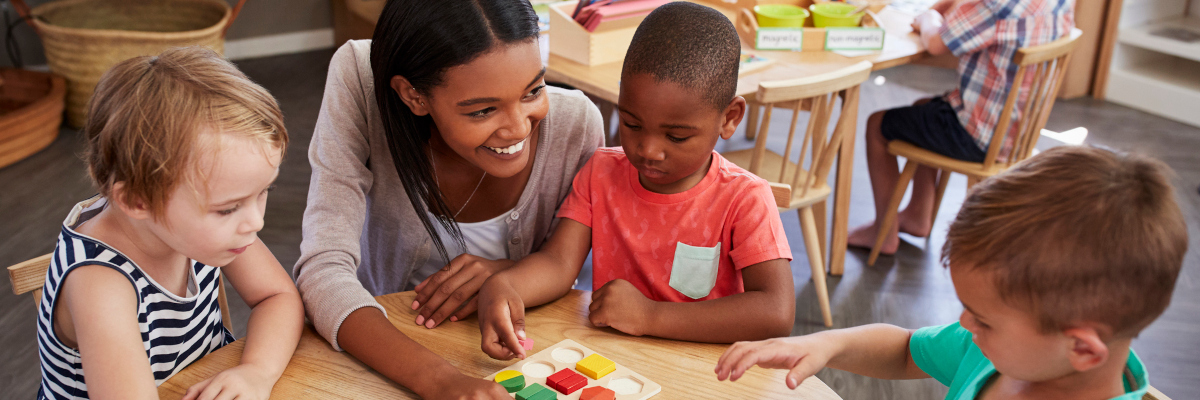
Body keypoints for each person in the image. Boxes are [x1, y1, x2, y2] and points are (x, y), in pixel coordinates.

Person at [292, 0, 604, 397]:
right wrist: (442, 382)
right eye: (483, 111)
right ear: (413, 96)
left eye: (533, 90)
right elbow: (322, 270)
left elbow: (566, 267)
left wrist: (509, 274)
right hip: (377, 351)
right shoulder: (361, 76)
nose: (516, 128)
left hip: (512, 355)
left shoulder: (577, 126)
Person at [716, 146, 1187, 400]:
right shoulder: (998, 354)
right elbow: (905, 351)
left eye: (982, 319)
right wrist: (825, 343)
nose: (966, 325)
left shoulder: (1011, 353)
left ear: (1082, 347)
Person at [475, 2, 795, 360]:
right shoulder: (601, 172)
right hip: (614, 362)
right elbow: (559, 264)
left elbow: (775, 312)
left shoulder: (745, 198)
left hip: (704, 371)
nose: (648, 150)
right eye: (632, 124)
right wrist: (505, 285)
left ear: (729, 118)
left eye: (676, 137)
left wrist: (650, 316)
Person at [37, 47, 303, 400]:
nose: (255, 221)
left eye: (262, 192)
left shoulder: (209, 229)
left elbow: (279, 297)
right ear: (137, 201)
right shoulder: (99, 283)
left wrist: (257, 371)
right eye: (228, 208)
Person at [847, 0, 1074, 255]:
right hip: (1016, 133)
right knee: (924, 108)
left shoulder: (996, 5)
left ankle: (883, 231)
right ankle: (917, 215)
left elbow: (936, 42)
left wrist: (929, 16)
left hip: (978, 136)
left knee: (877, 125)